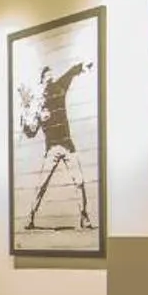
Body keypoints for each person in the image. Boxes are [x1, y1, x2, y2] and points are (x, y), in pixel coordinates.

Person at [19, 60, 92, 232]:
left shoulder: (59, 88)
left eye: (51, 75)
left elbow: (71, 72)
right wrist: (24, 122)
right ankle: (30, 216)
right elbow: (31, 132)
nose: (50, 78)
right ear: (42, 81)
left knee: (79, 182)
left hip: (68, 146)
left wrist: (84, 67)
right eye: (47, 76)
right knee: (41, 185)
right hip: (51, 150)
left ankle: (84, 216)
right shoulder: (39, 107)